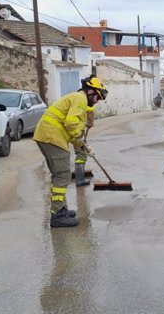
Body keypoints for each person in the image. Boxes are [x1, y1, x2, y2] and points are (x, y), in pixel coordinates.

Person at [33, 76, 108, 228]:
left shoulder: (77, 99)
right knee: (62, 175)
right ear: (90, 91)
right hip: (52, 136)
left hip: (49, 135)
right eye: (97, 97)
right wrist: (79, 140)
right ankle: (57, 215)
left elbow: (71, 128)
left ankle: (61, 209)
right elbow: (71, 124)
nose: (96, 101)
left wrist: (81, 146)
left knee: (60, 175)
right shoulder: (80, 99)